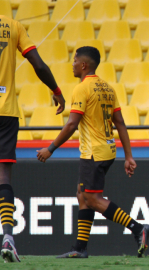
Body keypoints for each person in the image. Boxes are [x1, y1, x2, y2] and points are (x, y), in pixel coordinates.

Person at [36, 46, 149, 259]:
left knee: (92, 198)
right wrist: (128, 155)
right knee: (82, 195)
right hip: (107, 149)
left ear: (83, 65)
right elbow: (120, 123)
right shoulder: (108, 88)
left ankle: (137, 228)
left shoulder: (82, 88)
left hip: (93, 152)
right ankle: (80, 248)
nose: (72, 64)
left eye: (74, 60)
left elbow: (72, 124)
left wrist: (50, 149)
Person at [0, 15, 65, 263]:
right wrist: (56, 91)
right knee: (3, 176)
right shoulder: (12, 24)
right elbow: (38, 65)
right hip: (6, 113)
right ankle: (8, 237)